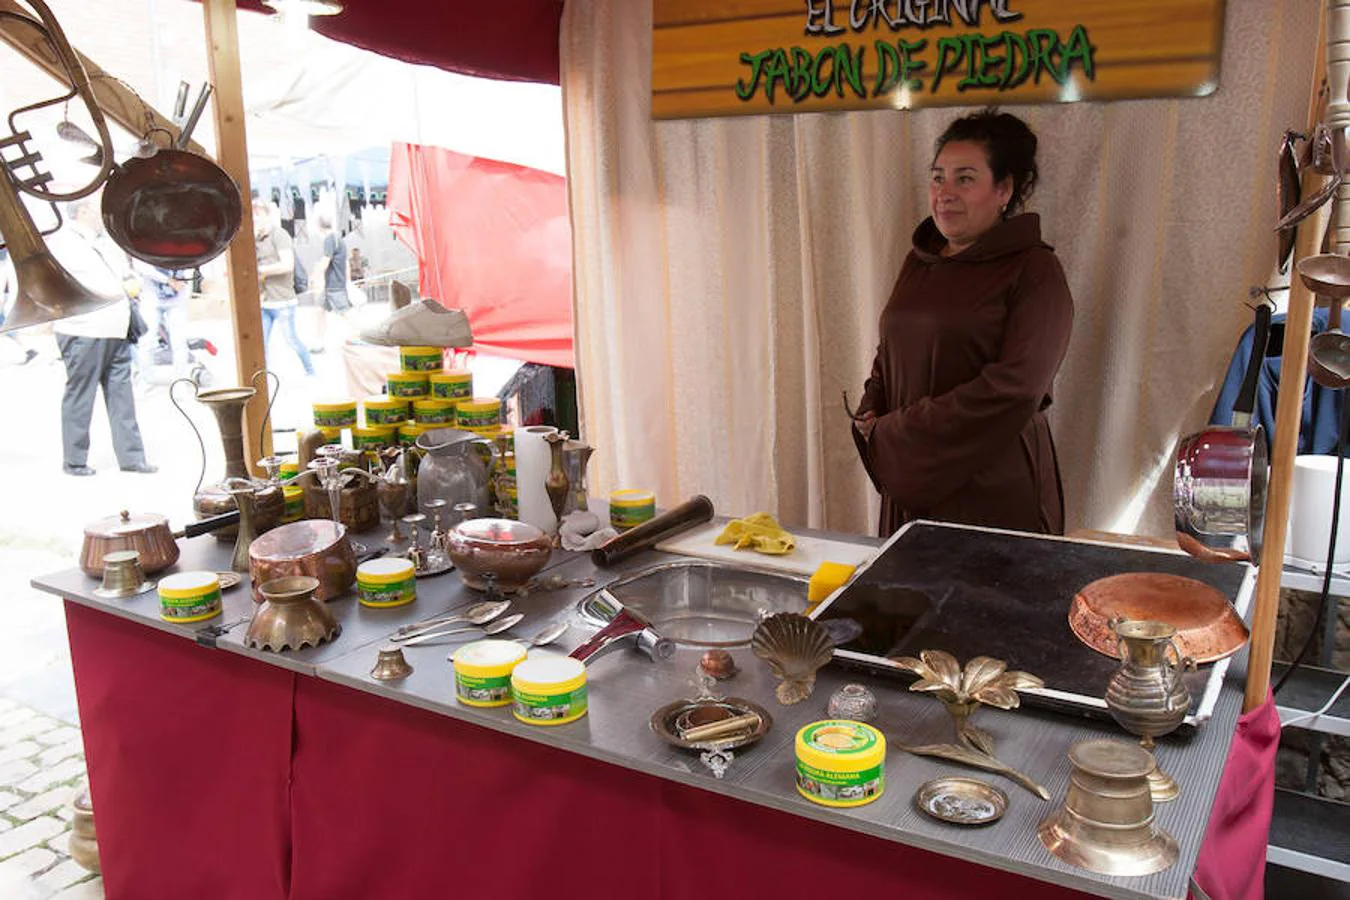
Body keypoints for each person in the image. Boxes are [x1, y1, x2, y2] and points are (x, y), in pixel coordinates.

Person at [850, 109, 1073, 536]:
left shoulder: (1035, 270)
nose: (945, 193)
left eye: (965, 178)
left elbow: (1018, 386)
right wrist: (871, 405)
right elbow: (891, 345)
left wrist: (898, 431)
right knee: (906, 597)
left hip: (993, 487)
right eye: (938, 177)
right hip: (914, 477)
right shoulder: (920, 261)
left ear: (1004, 189)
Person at [51, 197, 156, 476]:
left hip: (115, 327)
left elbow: (122, 274)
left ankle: (132, 457)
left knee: (122, 394)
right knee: (81, 394)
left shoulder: (104, 241)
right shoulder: (64, 243)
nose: (101, 214)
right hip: (84, 329)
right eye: (96, 209)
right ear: (83, 211)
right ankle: (74, 460)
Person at [253, 197, 315, 376]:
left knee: (292, 340)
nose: (255, 219)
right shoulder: (256, 239)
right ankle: (263, 378)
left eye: (258, 215)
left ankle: (310, 371)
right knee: (260, 344)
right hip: (263, 300)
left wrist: (261, 270)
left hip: (282, 300)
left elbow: (288, 264)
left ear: (267, 216)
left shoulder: (279, 234)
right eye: (253, 215)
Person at [305, 213, 352, 351]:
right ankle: (319, 343)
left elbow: (326, 261)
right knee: (319, 311)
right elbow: (346, 262)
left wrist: (313, 277)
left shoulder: (330, 239)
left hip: (334, 285)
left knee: (346, 313)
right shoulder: (338, 238)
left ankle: (362, 336)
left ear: (319, 225)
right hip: (332, 285)